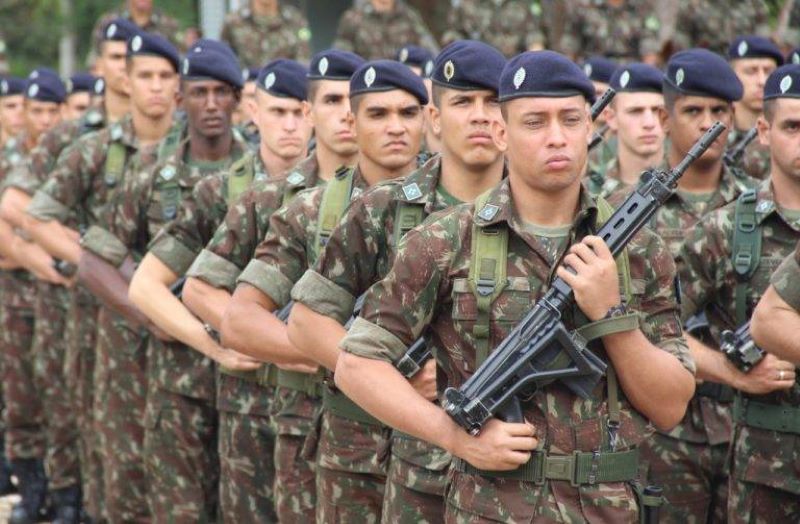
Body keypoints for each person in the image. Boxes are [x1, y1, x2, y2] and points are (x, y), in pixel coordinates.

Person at [333, 49, 695, 522]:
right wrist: (452, 436)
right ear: (501, 133)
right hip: (488, 508)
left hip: (606, 509)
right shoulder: (445, 240)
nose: (556, 137)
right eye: (535, 122)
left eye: (570, 119)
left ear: (591, 127)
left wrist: (612, 317)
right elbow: (356, 365)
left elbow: (670, 406)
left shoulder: (639, 250)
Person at [226, 59, 427, 522]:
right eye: (378, 114)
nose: (395, 127)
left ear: (427, 120)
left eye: (407, 113)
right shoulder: (311, 211)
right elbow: (240, 320)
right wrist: (365, 369)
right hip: (340, 440)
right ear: (352, 123)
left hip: (435, 452)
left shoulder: (461, 212)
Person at [79, 38, 249, 523]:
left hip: (247, 376)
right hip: (171, 377)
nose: (211, 104)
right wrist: (150, 313)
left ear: (238, 99)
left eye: (221, 92)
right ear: (180, 99)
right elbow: (95, 259)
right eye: (199, 92)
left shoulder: (259, 174)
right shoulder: (153, 171)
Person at [185, 49, 360, 522]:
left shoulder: (399, 202)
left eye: (354, 101)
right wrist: (294, 346)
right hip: (278, 402)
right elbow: (202, 289)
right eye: (332, 101)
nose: (346, 114)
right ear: (311, 111)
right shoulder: (272, 198)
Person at [135, 57, 309, 522]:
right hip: (243, 402)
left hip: (312, 406)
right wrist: (215, 346)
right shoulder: (225, 193)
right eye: (278, 111)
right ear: (254, 111)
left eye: (299, 111)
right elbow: (147, 285)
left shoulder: (347, 195)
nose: (290, 125)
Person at [26, 31, 181, 523]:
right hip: (109, 317)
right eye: (144, 75)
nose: (155, 86)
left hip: (182, 319)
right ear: (124, 80)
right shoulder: (95, 148)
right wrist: (95, 265)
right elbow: (37, 215)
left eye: (164, 76)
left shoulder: (195, 147)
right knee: (112, 441)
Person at [608, 48, 754, 523]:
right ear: (667, 118)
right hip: (659, 431)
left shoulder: (758, 204)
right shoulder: (623, 211)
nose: (708, 123)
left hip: (749, 426)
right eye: (693, 111)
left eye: (719, 111)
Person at [3, 20, 136, 521]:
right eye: (117, 58)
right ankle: (66, 499)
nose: (125, 69)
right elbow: (17, 207)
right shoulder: (75, 134)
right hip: (77, 301)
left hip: (146, 303)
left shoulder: (171, 136)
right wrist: (69, 263)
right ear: (99, 66)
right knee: (70, 405)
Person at [678, 62, 800, 524]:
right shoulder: (727, 229)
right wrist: (731, 373)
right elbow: (653, 325)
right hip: (765, 473)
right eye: (792, 127)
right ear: (764, 132)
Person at [0, 67, 65, 524]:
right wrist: (32, 253)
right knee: (21, 394)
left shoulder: (70, 159)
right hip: (16, 298)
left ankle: (64, 491)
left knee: (60, 396)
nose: (44, 121)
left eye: (51, 111)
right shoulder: (10, 162)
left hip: (61, 301)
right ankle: (30, 488)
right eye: (36, 111)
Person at [586, 62, 664, 197]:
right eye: (635, 111)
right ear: (611, 118)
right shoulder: (588, 191)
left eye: (657, 110)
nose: (649, 123)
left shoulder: (690, 182)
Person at [727, 35, 783, 180]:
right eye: (751, 71)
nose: (762, 81)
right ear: (731, 76)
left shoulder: (788, 136)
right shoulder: (717, 135)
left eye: (768, 71)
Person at [334, 0, 439, 60]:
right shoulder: (353, 18)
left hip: (402, 82)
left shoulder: (409, 17)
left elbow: (431, 52)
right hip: (368, 83)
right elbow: (341, 58)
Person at [562, 0, 661, 63]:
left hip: (628, 75)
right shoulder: (584, 6)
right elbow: (570, 49)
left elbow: (650, 53)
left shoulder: (642, 8)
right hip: (591, 72)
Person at [220, 0, 311, 68]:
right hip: (245, 85)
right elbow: (225, 62)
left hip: (282, 85)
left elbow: (303, 62)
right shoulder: (233, 22)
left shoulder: (296, 21)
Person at [441, 0, 545, 57]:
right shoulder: (467, 4)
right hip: (477, 64)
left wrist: (535, 50)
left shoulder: (524, 3)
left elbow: (533, 32)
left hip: (514, 64)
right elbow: (453, 33)